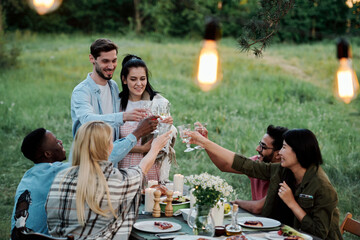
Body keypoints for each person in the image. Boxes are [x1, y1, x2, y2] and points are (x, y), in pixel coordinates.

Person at [187, 128, 342, 239]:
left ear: (299, 152)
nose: (279, 153)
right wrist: (205, 143)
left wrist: (292, 203)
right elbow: (245, 165)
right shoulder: (283, 170)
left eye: (284, 148)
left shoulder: (323, 188)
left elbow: (320, 233)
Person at [46, 121, 171, 239]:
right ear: (108, 147)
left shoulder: (60, 178)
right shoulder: (116, 181)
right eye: (112, 141)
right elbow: (142, 169)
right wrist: (155, 148)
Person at [71, 38, 156, 165]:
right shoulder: (81, 91)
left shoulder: (113, 86)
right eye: (105, 61)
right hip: (88, 163)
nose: (111, 66)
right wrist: (123, 116)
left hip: (111, 162)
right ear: (92, 59)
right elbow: (87, 120)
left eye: (114, 61)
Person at [118, 54, 177, 181]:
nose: (139, 84)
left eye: (142, 79)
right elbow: (108, 145)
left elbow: (164, 143)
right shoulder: (116, 104)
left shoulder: (158, 103)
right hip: (122, 169)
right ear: (124, 79)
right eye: (133, 79)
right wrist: (141, 149)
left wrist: (169, 127)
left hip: (149, 168)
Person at [10, 128, 69, 237]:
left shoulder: (27, 176)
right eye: (56, 142)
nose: (60, 141)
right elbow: (97, 163)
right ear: (48, 154)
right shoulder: (55, 171)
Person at [232, 125, 288, 214]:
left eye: (263, 147)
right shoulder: (257, 162)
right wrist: (205, 143)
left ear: (278, 154)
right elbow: (225, 164)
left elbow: (258, 208)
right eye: (260, 144)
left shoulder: (285, 174)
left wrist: (237, 202)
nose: (257, 149)